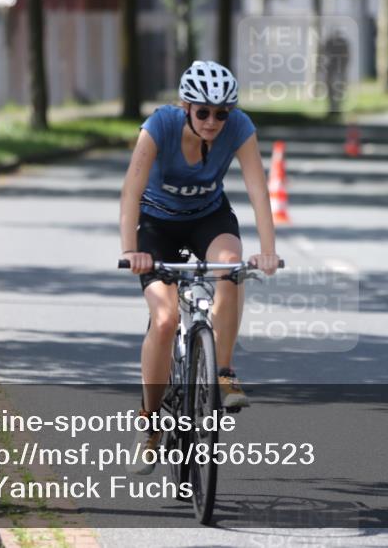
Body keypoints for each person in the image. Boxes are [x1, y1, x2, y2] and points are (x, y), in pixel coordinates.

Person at [119, 60, 281, 474]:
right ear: (186, 107)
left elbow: (258, 190)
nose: (212, 122)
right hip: (157, 225)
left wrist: (267, 251)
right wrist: (131, 250)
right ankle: (150, 422)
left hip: (209, 218)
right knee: (164, 319)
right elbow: (131, 191)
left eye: (221, 113)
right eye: (204, 112)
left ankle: (223, 372)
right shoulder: (159, 126)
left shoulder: (240, 128)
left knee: (231, 268)